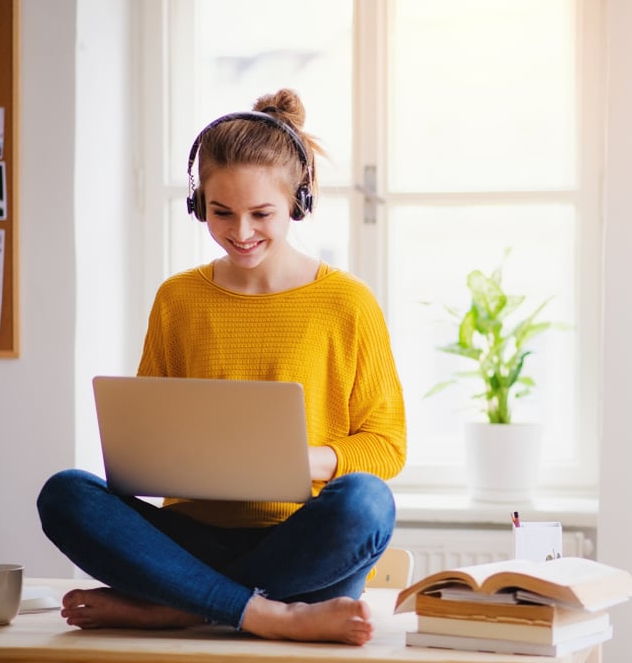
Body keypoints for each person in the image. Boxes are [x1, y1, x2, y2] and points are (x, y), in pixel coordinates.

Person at [36, 88, 407, 646]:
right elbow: (147, 434)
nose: (241, 232)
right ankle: (262, 612)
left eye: (262, 213)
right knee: (64, 495)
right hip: (191, 540)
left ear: (298, 203)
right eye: (220, 212)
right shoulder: (178, 300)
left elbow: (388, 445)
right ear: (197, 203)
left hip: (302, 544)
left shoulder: (346, 303)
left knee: (367, 503)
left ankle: (179, 607)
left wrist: (301, 460)